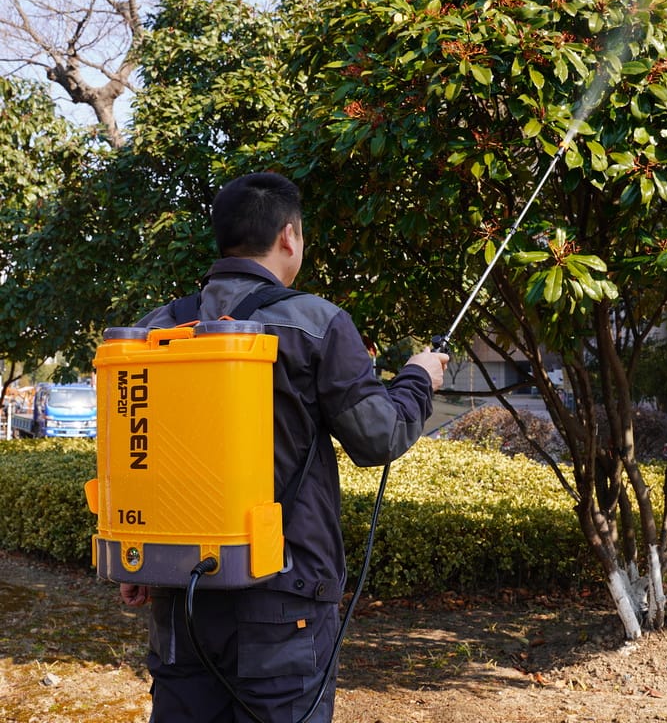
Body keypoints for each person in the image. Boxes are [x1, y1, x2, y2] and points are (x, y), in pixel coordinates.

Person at [120, 171, 448, 723]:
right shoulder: (315, 323)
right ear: (289, 236)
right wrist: (417, 377)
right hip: (285, 600)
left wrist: (138, 558)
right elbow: (378, 436)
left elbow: (134, 452)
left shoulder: (151, 330)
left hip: (179, 597)